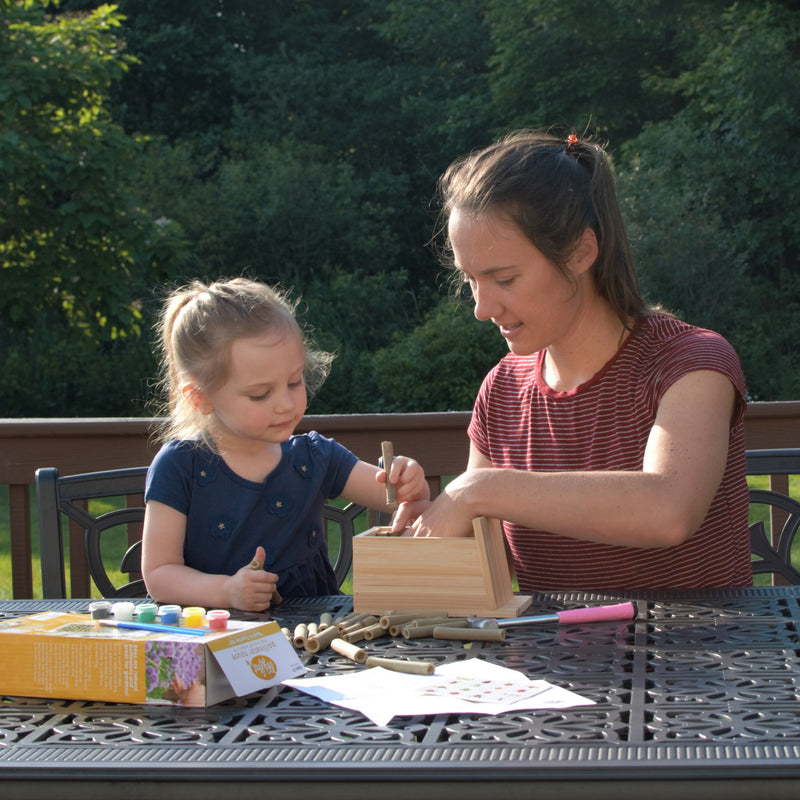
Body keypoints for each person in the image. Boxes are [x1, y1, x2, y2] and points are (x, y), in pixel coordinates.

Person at [400, 130, 752, 590]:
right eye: (470, 280)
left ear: (582, 252)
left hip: (696, 656)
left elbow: (668, 510)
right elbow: (491, 572)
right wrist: (432, 522)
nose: (481, 308)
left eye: (503, 278)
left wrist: (477, 490)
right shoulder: (502, 390)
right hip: (545, 660)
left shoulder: (692, 362)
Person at [142, 277, 429, 611]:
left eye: (294, 382)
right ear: (200, 397)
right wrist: (227, 591)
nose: (285, 404)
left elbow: (399, 502)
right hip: (220, 639)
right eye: (260, 394)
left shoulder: (314, 456)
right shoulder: (180, 467)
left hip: (320, 640)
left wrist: (408, 482)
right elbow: (160, 574)